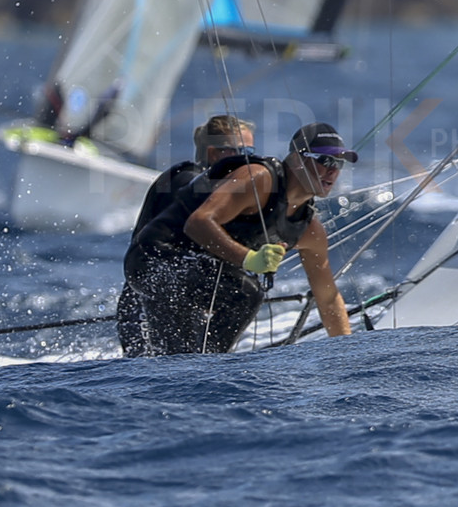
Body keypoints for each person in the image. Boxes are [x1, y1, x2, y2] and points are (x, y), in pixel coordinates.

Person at [116, 122, 358, 356]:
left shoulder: (310, 229)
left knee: (240, 299)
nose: (333, 171)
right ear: (296, 159)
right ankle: (196, 368)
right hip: (154, 259)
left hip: (196, 274)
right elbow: (199, 222)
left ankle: (205, 366)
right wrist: (249, 259)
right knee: (245, 294)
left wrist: (348, 355)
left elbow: (328, 299)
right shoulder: (259, 179)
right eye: (324, 161)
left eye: (339, 164)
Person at [131, 114, 256, 239]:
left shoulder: (214, 183)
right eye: (240, 151)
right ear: (213, 153)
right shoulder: (187, 181)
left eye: (250, 152)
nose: (248, 159)